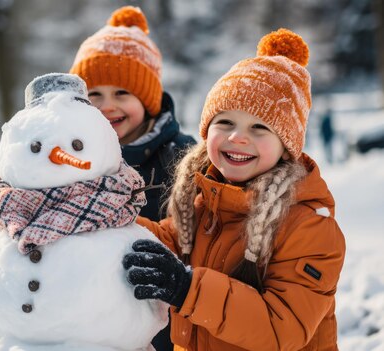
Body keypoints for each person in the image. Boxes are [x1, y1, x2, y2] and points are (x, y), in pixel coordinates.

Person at [123, 29, 346, 351]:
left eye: (259, 128)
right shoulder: (203, 200)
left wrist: (187, 289)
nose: (238, 137)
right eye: (225, 122)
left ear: (287, 148)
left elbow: (282, 328)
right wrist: (108, 222)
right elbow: (163, 241)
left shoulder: (309, 226)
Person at [70, 9, 195, 349]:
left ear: (148, 98)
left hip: (163, 318)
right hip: (92, 318)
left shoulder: (181, 157)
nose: (107, 106)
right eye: (94, 95)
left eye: (122, 93)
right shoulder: (69, 158)